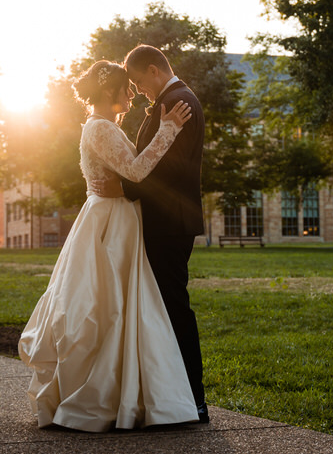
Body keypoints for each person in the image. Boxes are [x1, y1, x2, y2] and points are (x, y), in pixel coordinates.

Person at [18, 60, 199, 432]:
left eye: (133, 87)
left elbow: (127, 174)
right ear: (108, 92)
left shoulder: (104, 126)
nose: (131, 94)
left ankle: (127, 391)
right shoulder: (100, 128)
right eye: (125, 88)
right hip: (110, 225)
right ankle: (103, 394)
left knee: (122, 304)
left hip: (118, 217)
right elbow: (135, 172)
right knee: (107, 305)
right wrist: (167, 130)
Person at [121, 45, 209, 424]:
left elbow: (168, 169)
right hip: (168, 221)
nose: (139, 90)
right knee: (167, 307)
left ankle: (194, 399)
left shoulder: (178, 102)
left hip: (170, 223)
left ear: (154, 70)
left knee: (175, 307)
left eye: (139, 82)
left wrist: (130, 185)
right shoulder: (175, 98)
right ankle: (175, 395)